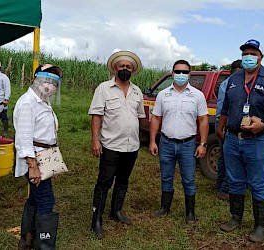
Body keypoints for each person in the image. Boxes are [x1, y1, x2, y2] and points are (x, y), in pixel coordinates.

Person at [217, 39, 264, 242]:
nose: (249, 56)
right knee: (235, 180)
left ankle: (260, 225)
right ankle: (235, 217)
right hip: (232, 138)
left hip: (257, 139)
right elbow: (225, 108)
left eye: (253, 53)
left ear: (261, 57)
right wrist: (221, 128)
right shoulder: (234, 79)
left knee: (258, 183)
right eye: (245, 53)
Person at [88, 51, 145, 239]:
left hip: (131, 146)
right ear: (115, 68)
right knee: (104, 182)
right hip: (111, 145)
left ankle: (116, 211)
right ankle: (96, 219)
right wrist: (95, 140)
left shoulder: (137, 92)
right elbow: (97, 115)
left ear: (133, 70)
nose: (125, 69)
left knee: (123, 180)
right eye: (122, 66)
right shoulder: (104, 89)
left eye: (129, 67)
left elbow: (140, 117)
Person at [149, 59, 209, 224]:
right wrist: (152, 141)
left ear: (189, 74)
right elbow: (156, 118)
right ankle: (164, 207)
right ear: (172, 73)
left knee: (188, 178)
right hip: (166, 143)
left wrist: (203, 144)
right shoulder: (163, 94)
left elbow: (203, 120)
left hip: (187, 144)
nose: (181, 75)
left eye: (184, 72)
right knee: (166, 177)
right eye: (177, 71)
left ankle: (190, 212)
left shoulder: (197, 95)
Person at [14, 64, 63, 249]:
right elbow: (24, 138)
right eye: (47, 79)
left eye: (55, 82)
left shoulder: (42, 101)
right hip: (34, 158)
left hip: (45, 156)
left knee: (35, 198)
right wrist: (33, 166)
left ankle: (27, 238)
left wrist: (53, 164)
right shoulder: (29, 102)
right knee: (46, 200)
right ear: (36, 79)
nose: (50, 85)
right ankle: (44, 245)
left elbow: (48, 134)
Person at [215, 59, 242, 201]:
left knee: (224, 158)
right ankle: (225, 189)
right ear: (238, 70)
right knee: (231, 158)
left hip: (221, 121)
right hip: (226, 124)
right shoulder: (234, 84)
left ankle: (220, 186)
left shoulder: (225, 83)